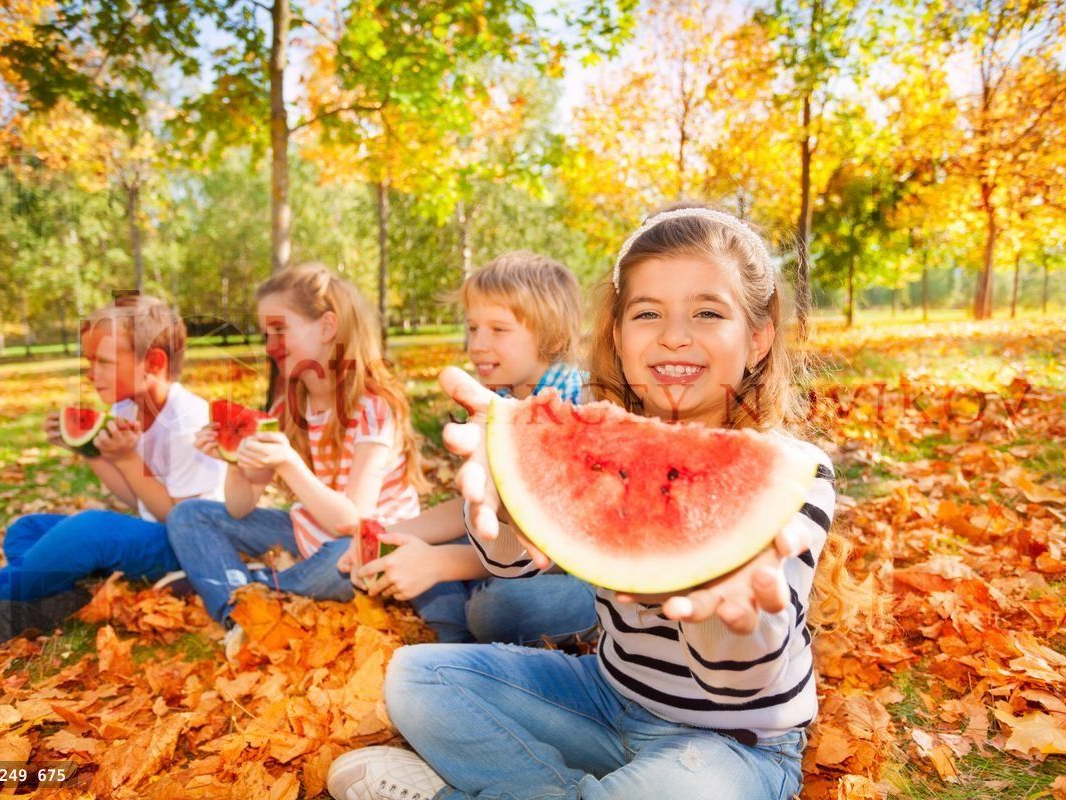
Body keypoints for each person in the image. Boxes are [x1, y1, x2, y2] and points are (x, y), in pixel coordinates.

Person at [328, 205, 837, 800]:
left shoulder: (798, 475)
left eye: (707, 311)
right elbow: (510, 563)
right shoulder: (598, 449)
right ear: (618, 337)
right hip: (603, 699)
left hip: (730, 744)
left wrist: (724, 619)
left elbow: (744, 679)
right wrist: (503, 502)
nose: (675, 334)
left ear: (757, 338)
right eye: (648, 314)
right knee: (418, 677)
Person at [0, 294, 225, 647]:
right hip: (152, 535)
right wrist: (89, 451)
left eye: (104, 361)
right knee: (26, 530)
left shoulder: (188, 421)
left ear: (154, 362)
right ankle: (67, 601)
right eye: (90, 361)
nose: (91, 373)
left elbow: (181, 519)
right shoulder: (127, 409)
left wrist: (129, 459)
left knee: (89, 529)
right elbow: (133, 495)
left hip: (190, 548)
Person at [166, 263, 426, 654]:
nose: (270, 346)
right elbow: (238, 508)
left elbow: (351, 521)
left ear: (326, 327)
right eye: (266, 334)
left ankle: (244, 592)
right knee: (189, 516)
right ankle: (241, 613)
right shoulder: (288, 403)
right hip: (309, 534)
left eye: (280, 330)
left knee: (343, 560)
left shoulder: (375, 407)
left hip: (371, 545)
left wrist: (289, 462)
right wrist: (234, 459)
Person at [341, 251, 598, 645]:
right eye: (473, 327)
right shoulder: (495, 401)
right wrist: (387, 533)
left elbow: (561, 551)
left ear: (554, 339)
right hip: (508, 551)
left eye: (498, 329)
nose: (477, 343)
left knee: (494, 609)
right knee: (360, 554)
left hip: (584, 579)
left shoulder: (581, 404)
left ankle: (461, 599)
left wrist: (442, 564)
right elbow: (475, 513)